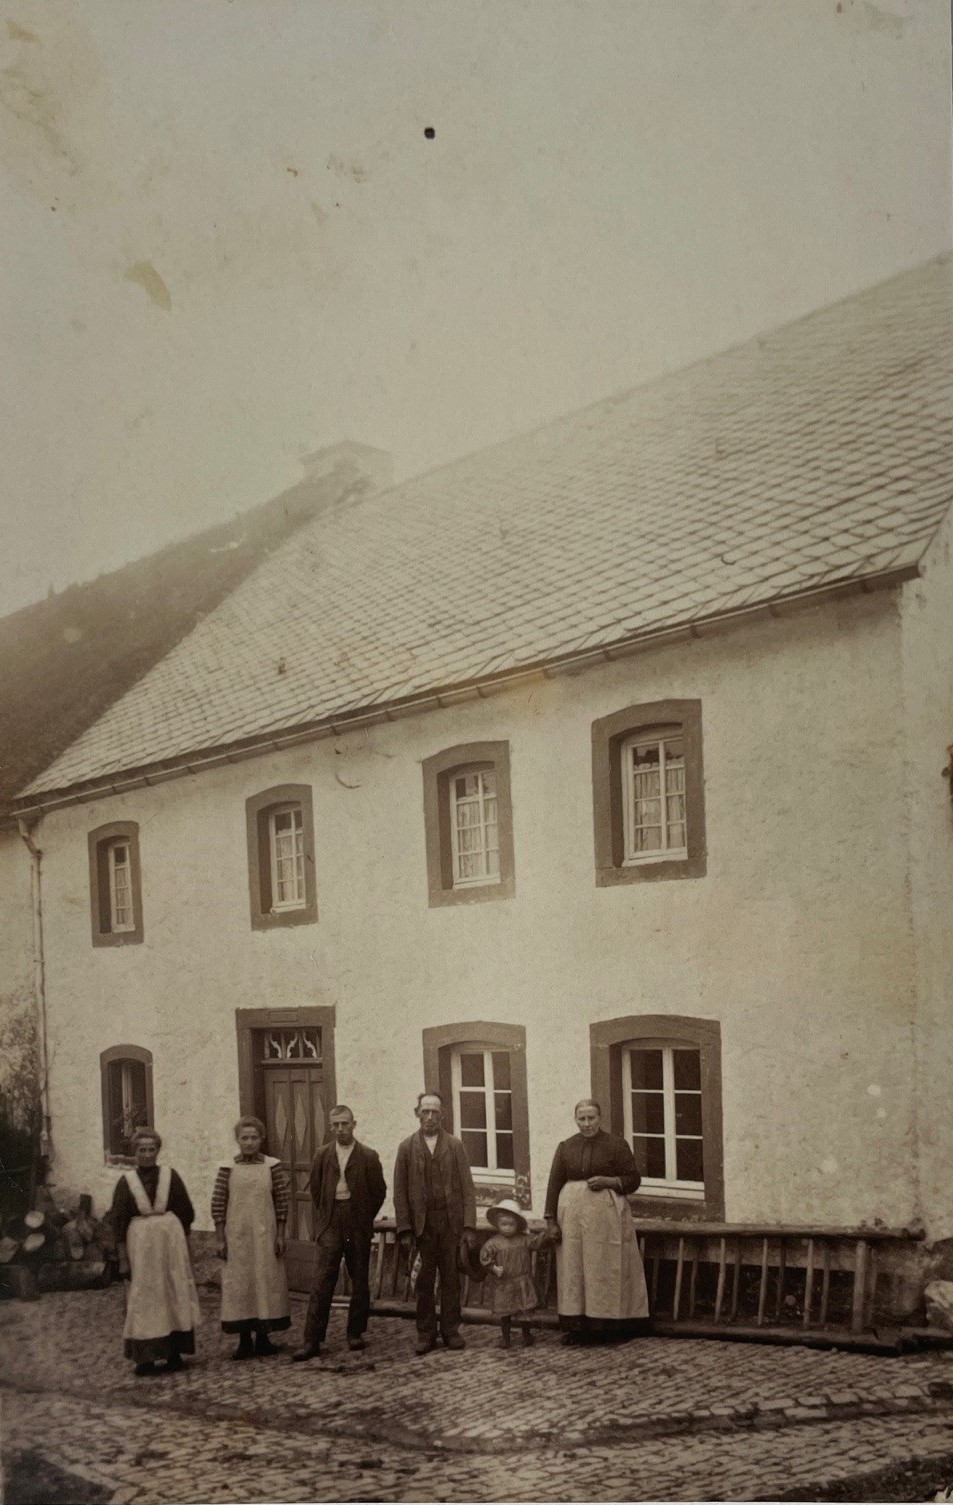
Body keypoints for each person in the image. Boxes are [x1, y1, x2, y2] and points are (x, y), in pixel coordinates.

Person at [544, 1099, 650, 1345]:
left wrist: (609, 1182)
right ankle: (577, 1328)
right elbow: (554, 1184)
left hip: (607, 1218)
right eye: (582, 1118)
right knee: (574, 1268)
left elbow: (633, 1179)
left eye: (591, 1118)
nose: (587, 1123)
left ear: (600, 1119)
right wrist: (550, 1220)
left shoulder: (616, 1145)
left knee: (605, 1267)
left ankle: (609, 1328)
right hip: (572, 1221)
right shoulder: (566, 1147)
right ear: (575, 1120)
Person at [292, 1104, 387, 1361]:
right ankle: (312, 1339)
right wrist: (326, 1218)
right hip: (332, 1222)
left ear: (353, 1125)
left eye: (345, 1124)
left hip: (357, 1223)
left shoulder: (368, 1156)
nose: (340, 1129)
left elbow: (379, 1191)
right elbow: (316, 1189)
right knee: (322, 1280)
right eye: (335, 1125)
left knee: (360, 1279)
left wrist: (364, 1217)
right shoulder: (322, 1155)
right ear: (330, 1127)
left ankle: (355, 1333)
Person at [109, 1127, 201, 1377]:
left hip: (169, 1243)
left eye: (152, 1149)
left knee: (172, 1290)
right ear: (135, 1152)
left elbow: (185, 1212)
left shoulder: (171, 1176)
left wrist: (185, 1245)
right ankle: (145, 1357)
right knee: (144, 1294)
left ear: (158, 1151)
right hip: (140, 1245)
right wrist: (123, 1257)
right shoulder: (127, 1182)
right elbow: (118, 1220)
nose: (147, 1155)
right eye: (142, 1150)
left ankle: (174, 1352)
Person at [393, 1091, 478, 1355]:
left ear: (443, 1115)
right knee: (423, 1281)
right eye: (425, 1111)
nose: (430, 1117)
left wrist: (468, 1226)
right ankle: (426, 1333)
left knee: (451, 1279)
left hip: (450, 1224)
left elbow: (468, 1188)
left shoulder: (455, 1146)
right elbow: (399, 1191)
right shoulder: (407, 1148)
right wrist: (405, 1229)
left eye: (435, 1112)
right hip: (422, 1227)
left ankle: (451, 1331)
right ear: (417, 1113)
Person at [212, 1116, 291, 1360]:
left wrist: (280, 1235)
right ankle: (244, 1340)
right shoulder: (227, 1168)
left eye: (254, 1138)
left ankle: (263, 1338)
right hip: (237, 1236)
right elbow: (218, 1204)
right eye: (244, 1138)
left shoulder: (272, 1166)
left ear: (261, 1139)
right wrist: (220, 1238)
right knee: (241, 1284)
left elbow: (282, 1202)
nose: (249, 1142)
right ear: (237, 1140)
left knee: (265, 1281)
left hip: (265, 1235)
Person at [479, 1198, 541, 1349]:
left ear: (517, 1225)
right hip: (504, 1283)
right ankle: (506, 1338)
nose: (507, 1228)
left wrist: (545, 1235)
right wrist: (493, 1268)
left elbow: (536, 1242)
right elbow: (485, 1256)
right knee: (505, 1314)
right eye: (503, 1224)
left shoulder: (523, 1239)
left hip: (522, 1281)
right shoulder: (494, 1243)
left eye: (511, 1224)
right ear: (497, 1224)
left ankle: (527, 1335)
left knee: (524, 1311)